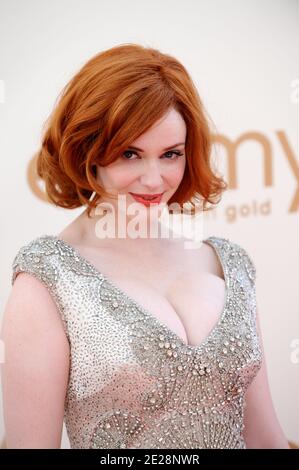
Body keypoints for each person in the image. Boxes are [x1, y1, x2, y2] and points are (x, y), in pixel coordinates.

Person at [1, 44, 289, 449]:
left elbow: (266, 438)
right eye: (130, 154)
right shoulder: (47, 282)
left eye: (170, 154)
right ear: (88, 151)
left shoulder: (229, 265)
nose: (154, 180)